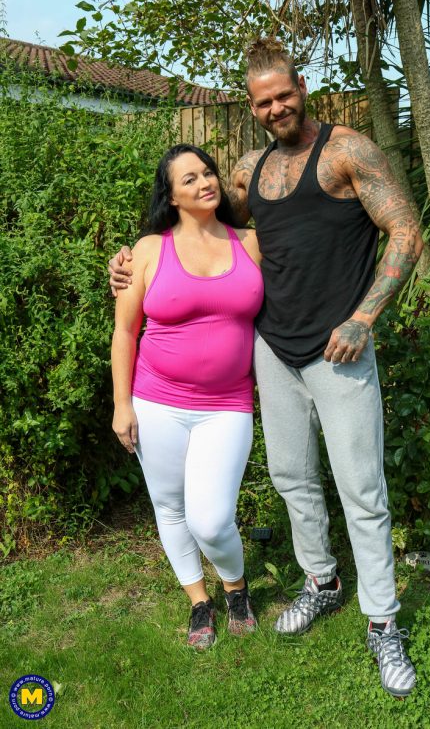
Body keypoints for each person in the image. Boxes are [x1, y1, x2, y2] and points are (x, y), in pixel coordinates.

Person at [110, 39, 424, 696]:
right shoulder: (250, 171)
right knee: (291, 478)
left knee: (361, 490)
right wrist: (132, 260)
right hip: (273, 350)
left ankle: (383, 622)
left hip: (339, 350)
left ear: (301, 87)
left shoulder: (347, 151)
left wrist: (363, 318)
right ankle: (321, 581)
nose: (276, 107)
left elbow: (406, 232)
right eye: (263, 102)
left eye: (284, 95)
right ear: (251, 107)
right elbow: (205, 232)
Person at [111, 143, 263, 650]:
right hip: (156, 401)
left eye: (208, 172)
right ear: (172, 197)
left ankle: (235, 587)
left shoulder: (251, 243)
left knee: (211, 519)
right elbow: (125, 332)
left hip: (228, 403)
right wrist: (122, 404)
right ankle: (199, 601)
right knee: (171, 507)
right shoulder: (148, 250)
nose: (205, 182)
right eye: (189, 179)